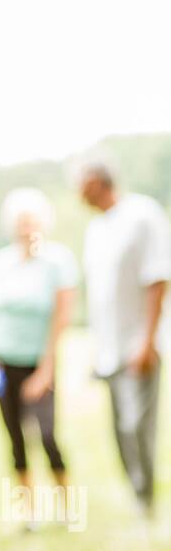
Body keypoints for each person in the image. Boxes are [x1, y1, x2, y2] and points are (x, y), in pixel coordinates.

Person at [0, 188, 78, 528]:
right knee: (14, 438)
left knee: (47, 435)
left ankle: (66, 508)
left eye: (31, 221)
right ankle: (28, 512)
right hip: (3, 361)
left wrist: (46, 368)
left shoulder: (58, 261)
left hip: (38, 361)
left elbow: (61, 318)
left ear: (43, 223)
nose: (26, 228)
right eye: (20, 222)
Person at [76, 155, 171, 521]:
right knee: (118, 429)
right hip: (109, 349)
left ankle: (146, 501)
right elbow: (99, 297)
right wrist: (96, 347)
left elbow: (157, 279)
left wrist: (148, 340)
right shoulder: (96, 230)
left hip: (139, 345)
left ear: (98, 181)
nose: (76, 192)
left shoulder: (142, 215)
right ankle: (136, 494)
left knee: (137, 426)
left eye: (80, 183)